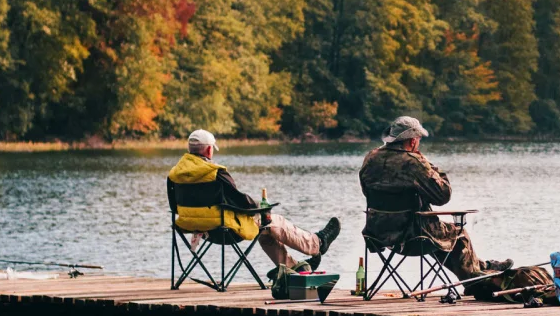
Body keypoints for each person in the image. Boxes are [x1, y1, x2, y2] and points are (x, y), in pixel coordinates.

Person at [358, 115, 512, 282]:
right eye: (418, 139)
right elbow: (443, 196)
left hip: (378, 232)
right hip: (410, 235)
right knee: (458, 233)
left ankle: (480, 270)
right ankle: (474, 279)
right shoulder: (414, 162)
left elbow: (367, 191)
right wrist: (428, 164)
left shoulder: (371, 158)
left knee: (438, 235)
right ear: (412, 141)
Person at [167, 129, 340, 271]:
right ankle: (317, 243)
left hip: (195, 229)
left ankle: (294, 269)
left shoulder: (174, 175)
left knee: (265, 229)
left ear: (190, 150)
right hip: (224, 230)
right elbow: (241, 201)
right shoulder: (215, 173)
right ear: (209, 150)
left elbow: (174, 207)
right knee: (271, 221)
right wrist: (258, 207)